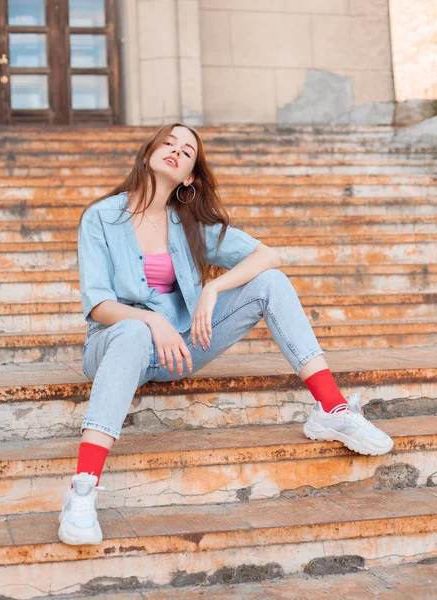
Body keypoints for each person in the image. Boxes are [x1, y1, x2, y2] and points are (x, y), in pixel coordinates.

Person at [58, 123, 393, 546]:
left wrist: (213, 288)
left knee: (271, 282)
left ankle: (333, 410)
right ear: (148, 153)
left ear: (190, 178)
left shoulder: (189, 223)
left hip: (178, 350)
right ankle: (82, 490)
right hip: (115, 346)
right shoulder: (101, 216)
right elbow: (98, 304)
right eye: (169, 143)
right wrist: (153, 321)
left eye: (188, 152)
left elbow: (268, 255)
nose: (177, 152)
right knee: (131, 332)